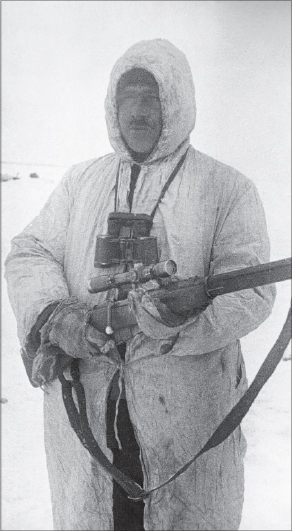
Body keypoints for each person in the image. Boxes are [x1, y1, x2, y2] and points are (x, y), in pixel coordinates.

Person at [5, 38, 276, 531]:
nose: (138, 111)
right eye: (127, 97)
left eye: (151, 97)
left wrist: (179, 323)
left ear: (176, 102)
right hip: (87, 411)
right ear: (112, 105)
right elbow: (29, 252)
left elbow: (253, 291)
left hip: (187, 417)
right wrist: (55, 316)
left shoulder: (227, 189)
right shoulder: (80, 183)